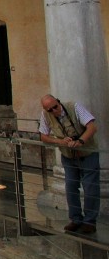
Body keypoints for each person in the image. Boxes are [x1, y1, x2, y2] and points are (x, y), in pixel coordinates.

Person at [39, 94, 100, 234]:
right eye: (50, 110)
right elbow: (43, 136)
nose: (54, 111)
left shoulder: (74, 107)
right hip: (68, 156)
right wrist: (60, 141)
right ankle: (75, 219)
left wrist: (80, 141)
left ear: (58, 102)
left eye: (55, 107)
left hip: (87, 153)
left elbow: (92, 127)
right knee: (71, 186)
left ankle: (90, 221)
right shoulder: (46, 115)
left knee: (90, 188)